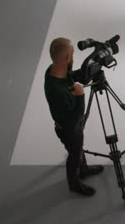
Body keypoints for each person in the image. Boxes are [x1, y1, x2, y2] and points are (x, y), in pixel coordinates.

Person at [44, 37, 104, 196]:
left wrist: (85, 72)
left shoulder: (53, 69)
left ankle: (83, 170)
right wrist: (80, 96)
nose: (73, 57)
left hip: (72, 127)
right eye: (72, 54)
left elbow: (68, 75)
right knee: (74, 154)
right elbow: (74, 116)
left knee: (78, 149)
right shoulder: (57, 91)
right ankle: (74, 183)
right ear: (67, 58)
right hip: (69, 129)